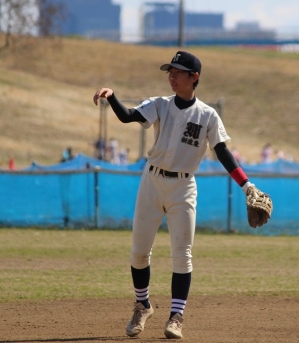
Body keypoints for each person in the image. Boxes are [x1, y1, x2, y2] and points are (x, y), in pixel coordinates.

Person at [93, 51, 269, 339]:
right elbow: (127, 116)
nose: (172, 76)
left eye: (178, 72)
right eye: (170, 72)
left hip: (183, 188)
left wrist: (246, 185)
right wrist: (112, 96)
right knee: (139, 252)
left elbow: (222, 152)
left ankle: (176, 317)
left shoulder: (207, 115)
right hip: (151, 182)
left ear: (194, 77)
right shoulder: (159, 104)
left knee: (182, 255)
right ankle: (142, 305)